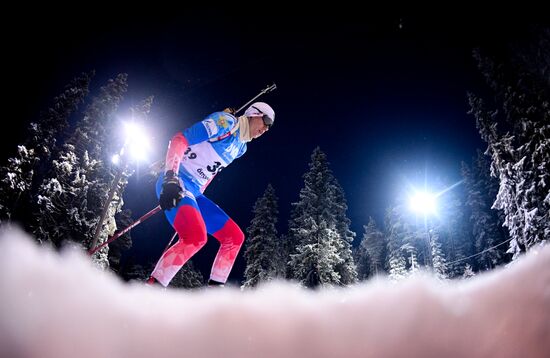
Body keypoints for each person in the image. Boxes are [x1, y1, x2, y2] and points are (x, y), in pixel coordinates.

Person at [147, 102, 275, 287]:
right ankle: (153, 288)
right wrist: (170, 178)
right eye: (266, 121)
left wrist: (198, 194)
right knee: (196, 237)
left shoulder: (241, 148)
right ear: (254, 114)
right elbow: (179, 139)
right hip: (177, 180)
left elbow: (212, 170)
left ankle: (215, 294)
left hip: (195, 193)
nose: (266, 128)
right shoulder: (225, 123)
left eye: (269, 126)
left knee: (234, 238)